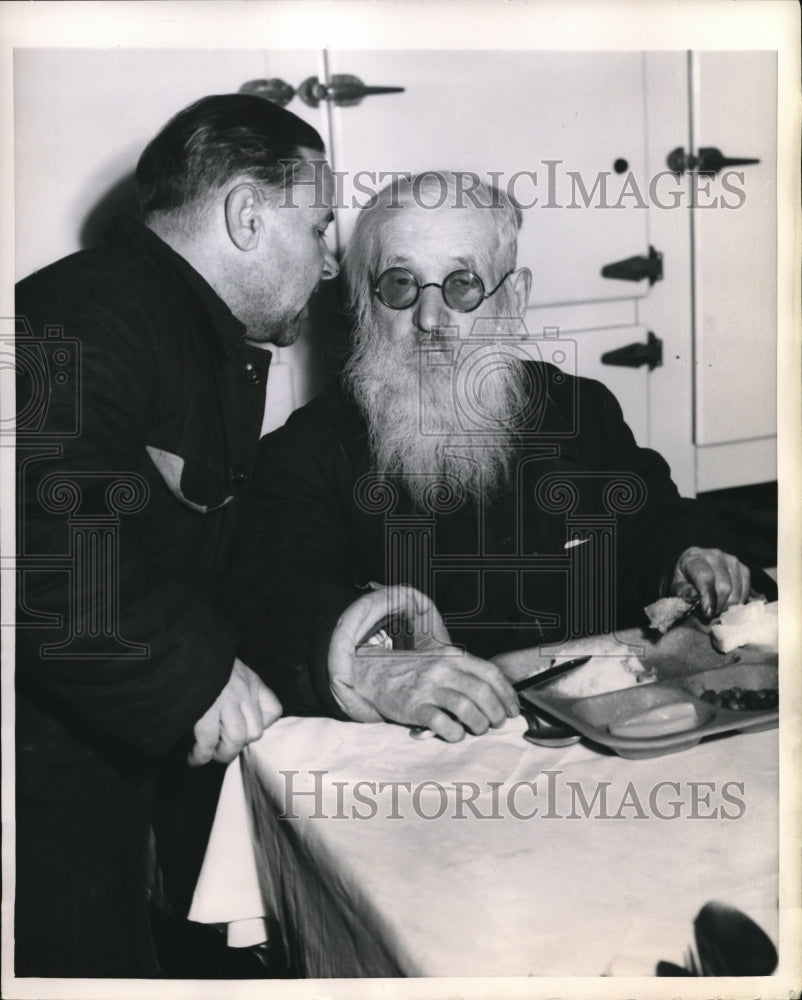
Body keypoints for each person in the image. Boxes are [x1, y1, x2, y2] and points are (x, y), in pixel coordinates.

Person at [225, 171, 773, 744]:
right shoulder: (305, 455)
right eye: (400, 284)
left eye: (462, 285)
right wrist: (372, 666)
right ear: (366, 301)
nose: (430, 319)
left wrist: (688, 559)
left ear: (512, 298)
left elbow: (654, 524)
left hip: (598, 739)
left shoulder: (579, 413)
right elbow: (270, 602)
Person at [14, 93, 338, 977]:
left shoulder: (175, 326)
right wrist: (190, 671)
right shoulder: (84, 318)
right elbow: (37, 547)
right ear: (245, 214)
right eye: (318, 226)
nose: (330, 259)